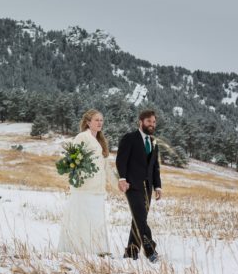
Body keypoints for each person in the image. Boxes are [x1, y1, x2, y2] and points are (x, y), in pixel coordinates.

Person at [58, 109, 112, 256]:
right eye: (96, 120)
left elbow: (106, 166)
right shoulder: (82, 137)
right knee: (82, 219)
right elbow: (72, 160)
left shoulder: (100, 140)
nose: (100, 123)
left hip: (98, 188)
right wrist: (82, 177)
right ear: (88, 122)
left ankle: (97, 249)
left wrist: (119, 183)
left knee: (96, 220)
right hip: (84, 188)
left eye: (101, 120)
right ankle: (80, 250)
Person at [116, 109, 162, 262]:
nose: (152, 124)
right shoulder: (129, 138)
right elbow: (121, 160)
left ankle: (131, 252)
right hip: (132, 185)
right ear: (141, 122)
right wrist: (122, 178)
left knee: (138, 219)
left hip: (147, 187)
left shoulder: (154, 142)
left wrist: (158, 186)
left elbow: (155, 167)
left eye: (154, 122)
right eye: (149, 121)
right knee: (141, 219)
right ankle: (151, 251)